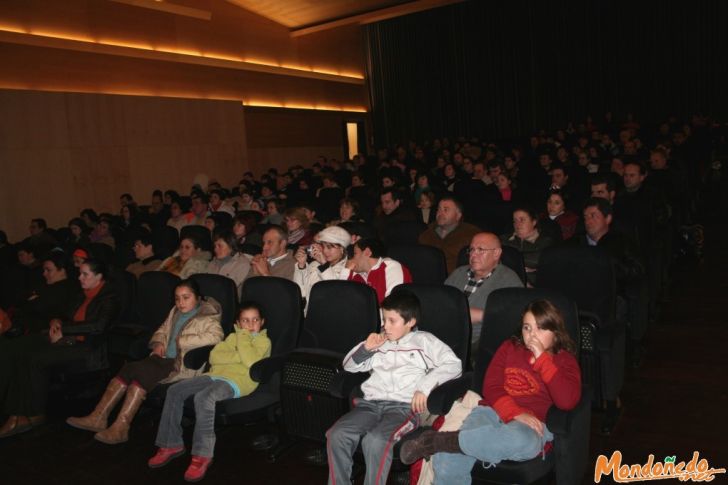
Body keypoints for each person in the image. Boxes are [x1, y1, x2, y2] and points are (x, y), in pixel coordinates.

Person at [399, 300, 581, 485]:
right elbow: (491, 387)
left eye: (540, 328)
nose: (532, 335)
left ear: (555, 333)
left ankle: (440, 441)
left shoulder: (564, 360)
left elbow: (567, 401)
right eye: (527, 328)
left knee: (526, 442)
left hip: (532, 422)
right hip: (492, 411)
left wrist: (543, 360)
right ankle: (450, 443)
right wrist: (515, 413)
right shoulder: (510, 348)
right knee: (446, 460)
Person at [326, 292, 462, 485]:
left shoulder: (424, 341)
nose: (385, 326)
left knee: (374, 441)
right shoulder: (379, 342)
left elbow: (453, 364)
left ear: (410, 322)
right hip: (370, 404)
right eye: (384, 319)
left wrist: (424, 387)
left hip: (402, 408)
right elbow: (349, 366)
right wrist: (366, 348)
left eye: (392, 321)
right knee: (336, 434)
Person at [66, 279, 223, 444]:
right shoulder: (176, 311)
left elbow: (216, 337)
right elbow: (163, 329)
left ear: (198, 298)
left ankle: (121, 428)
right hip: (162, 359)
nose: (180, 302)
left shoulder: (207, 316)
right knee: (129, 369)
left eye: (186, 297)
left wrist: (182, 340)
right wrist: (158, 343)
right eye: (177, 298)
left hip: (180, 364)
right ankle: (98, 417)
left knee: (140, 375)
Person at [148, 302, 272, 481]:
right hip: (214, 375)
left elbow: (252, 362)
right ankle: (170, 443)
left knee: (204, 398)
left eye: (255, 320)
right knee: (175, 390)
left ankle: (202, 455)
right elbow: (214, 357)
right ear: (237, 323)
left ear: (262, 322)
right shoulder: (231, 338)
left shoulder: (263, 341)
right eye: (245, 321)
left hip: (238, 381)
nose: (251, 324)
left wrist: (242, 340)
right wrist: (238, 355)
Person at [0, 259, 120, 438]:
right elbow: (65, 314)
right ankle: (14, 410)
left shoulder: (109, 297)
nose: (79, 277)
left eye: (85, 274)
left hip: (87, 347)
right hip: (67, 338)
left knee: (34, 358)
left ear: (99, 276)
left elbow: (98, 326)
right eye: (80, 273)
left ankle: (32, 413)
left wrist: (64, 330)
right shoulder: (82, 293)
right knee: (16, 347)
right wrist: (56, 321)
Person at [444, 233, 523, 352]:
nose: (474, 254)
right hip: (443, 336)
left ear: (496, 253)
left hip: (478, 345)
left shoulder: (509, 280)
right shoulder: (458, 273)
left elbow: (515, 319)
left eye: (480, 249)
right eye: (472, 249)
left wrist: (483, 315)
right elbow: (440, 303)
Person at [293, 226, 351, 311]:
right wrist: (301, 266)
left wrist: (324, 264)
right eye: (323, 247)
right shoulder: (315, 264)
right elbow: (300, 292)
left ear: (342, 248)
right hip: (311, 314)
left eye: (329, 247)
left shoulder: (349, 267)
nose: (325, 251)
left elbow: (335, 290)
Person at [418, 196, 480, 274]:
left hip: (457, 280)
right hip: (428, 279)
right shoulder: (426, 234)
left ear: (458, 215)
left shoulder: (472, 234)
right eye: (439, 209)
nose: (440, 213)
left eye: (445, 210)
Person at [342, 238, 412, 303]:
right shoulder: (357, 274)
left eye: (355, 253)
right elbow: (340, 298)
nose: (352, 259)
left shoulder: (391, 267)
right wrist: (345, 271)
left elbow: (395, 303)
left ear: (367, 252)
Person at [500, 207, 554, 286]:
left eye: (522, 220)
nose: (517, 224)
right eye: (515, 221)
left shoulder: (545, 242)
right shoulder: (504, 239)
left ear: (534, 222)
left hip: (533, 286)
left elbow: (539, 261)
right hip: (504, 280)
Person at [205, 230, 250, 299]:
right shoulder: (213, 263)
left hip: (228, 303)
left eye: (220, 246)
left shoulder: (243, 264)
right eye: (215, 246)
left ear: (231, 245)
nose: (215, 249)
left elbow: (229, 291)